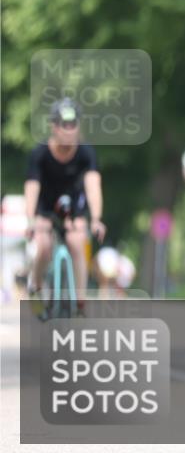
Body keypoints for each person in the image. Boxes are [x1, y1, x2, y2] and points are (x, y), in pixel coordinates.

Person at [24, 98, 106, 315]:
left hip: (74, 207)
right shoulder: (40, 153)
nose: (69, 130)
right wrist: (31, 221)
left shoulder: (86, 152)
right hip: (46, 207)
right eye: (64, 125)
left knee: (77, 241)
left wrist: (96, 219)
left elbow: (93, 186)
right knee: (43, 246)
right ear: (54, 126)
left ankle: (80, 303)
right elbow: (32, 188)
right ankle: (36, 286)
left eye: (73, 125)